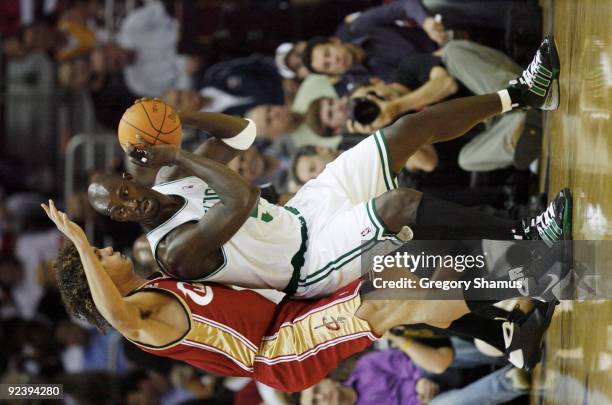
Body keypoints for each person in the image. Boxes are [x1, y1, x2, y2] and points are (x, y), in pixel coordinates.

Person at [88, 37, 568, 300]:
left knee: (405, 130)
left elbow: (243, 134)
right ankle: (529, 242)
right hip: (309, 263)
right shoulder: (172, 251)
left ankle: (524, 94)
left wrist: (180, 118)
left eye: (123, 192)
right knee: (401, 205)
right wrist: (176, 154)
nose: (130, 204)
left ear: (130, 179)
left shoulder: (175, 177)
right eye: (119, 209)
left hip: (305, 212)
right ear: (120, 220)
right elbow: (238, 199)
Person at [42, 200, 551, 392]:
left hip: (290, 318)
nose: (107, 249)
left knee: (400, 282)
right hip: (282, 349)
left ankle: (516, 329)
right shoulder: (140, 316)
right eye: (102, 253)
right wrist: (81, 246)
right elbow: (119, 319)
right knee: (394, 289)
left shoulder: (156, 285)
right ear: (97, 284)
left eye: (100, 247)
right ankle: (540, 269)